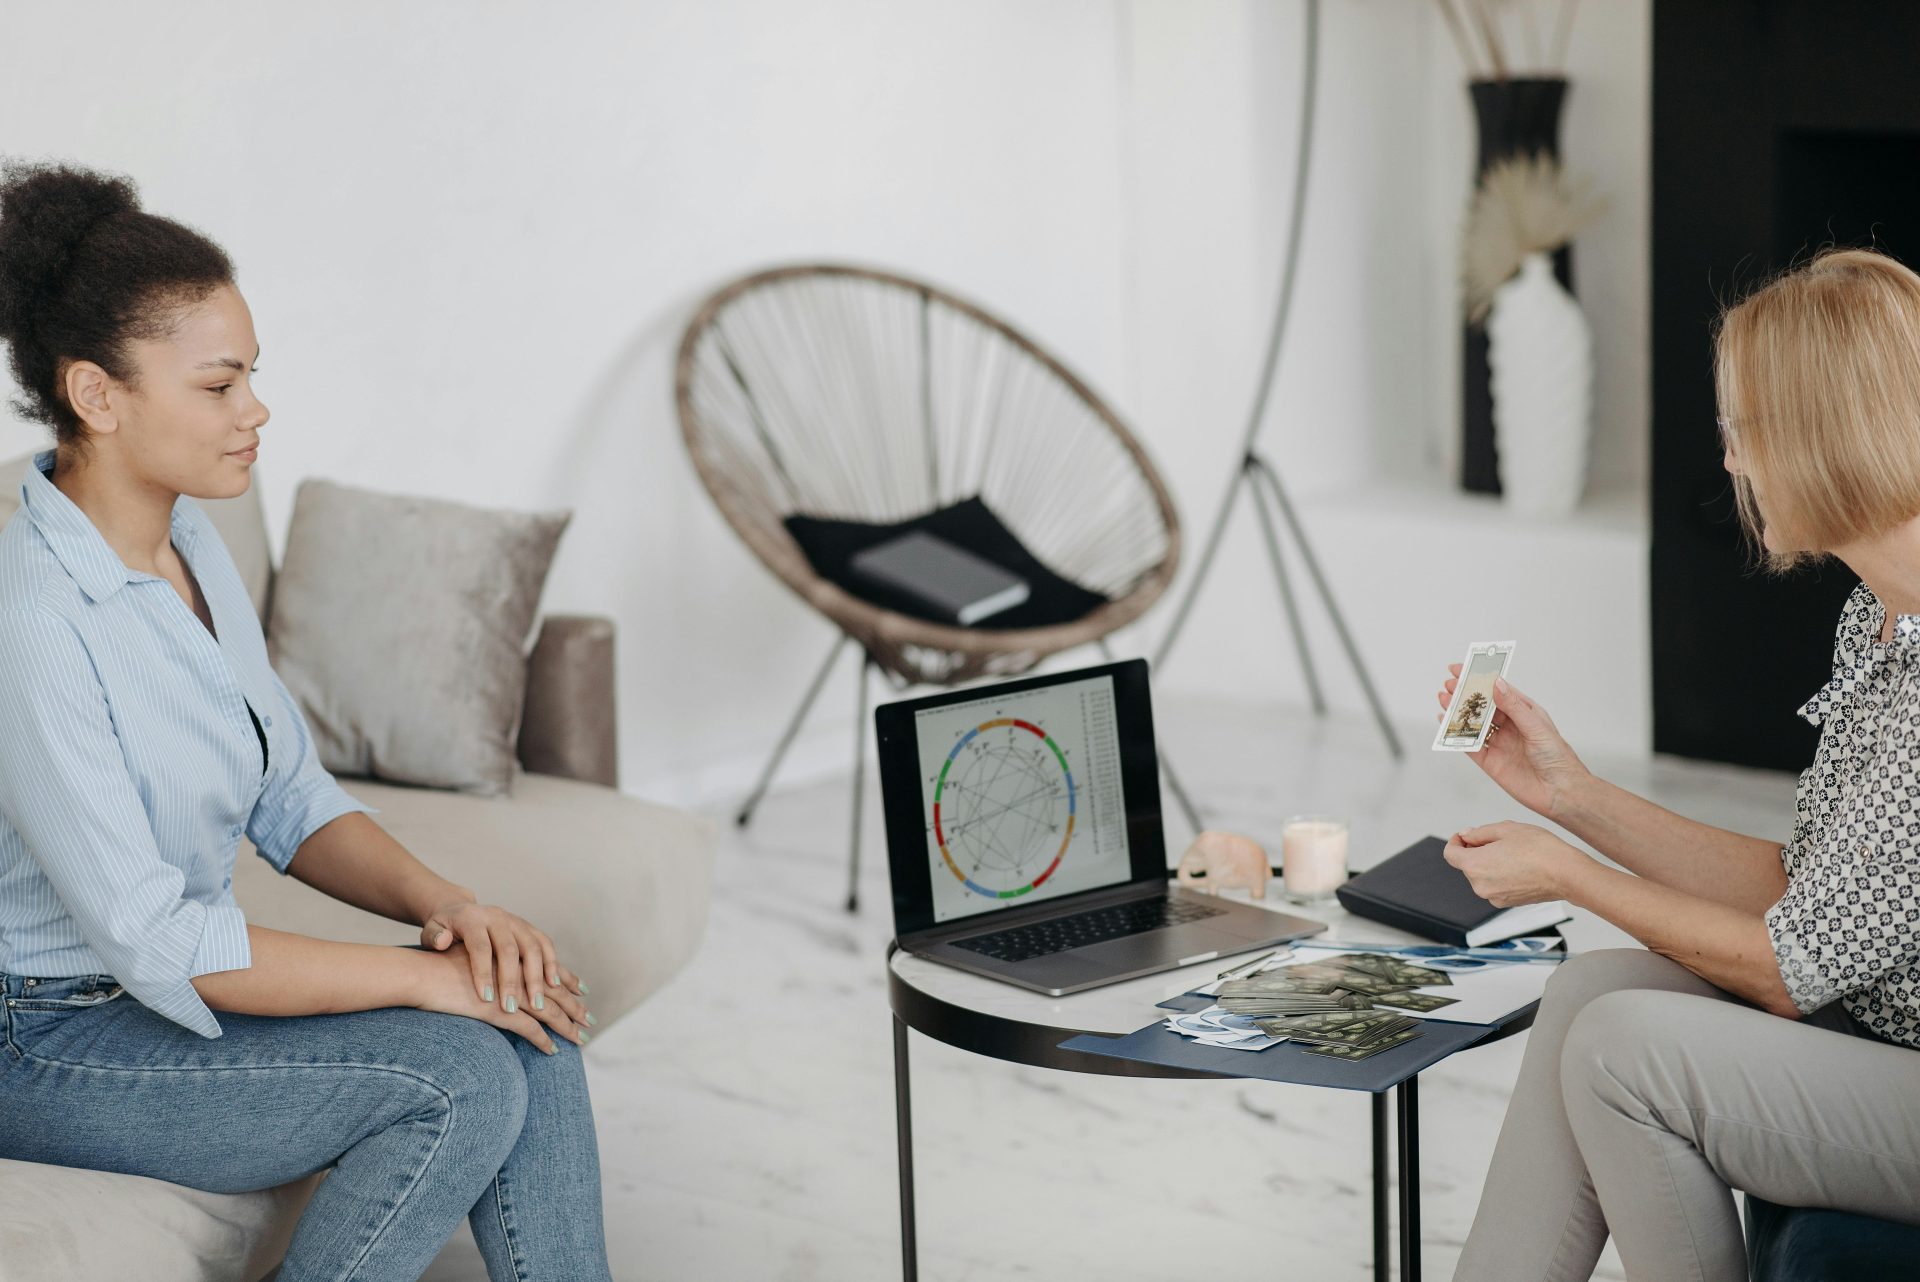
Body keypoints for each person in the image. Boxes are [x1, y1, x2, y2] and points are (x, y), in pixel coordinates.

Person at [0, 160, 614, 1281]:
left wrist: (454, 914)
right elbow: (157, 943)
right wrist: (421, 977)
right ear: (97, 395)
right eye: (219, 385)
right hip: (45, 1037)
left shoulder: (189, 546)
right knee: (459, 1072)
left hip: (152, 997)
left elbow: (292, 797)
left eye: (253, 379)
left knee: (528, 1010)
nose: (256, 411)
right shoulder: (32, 618)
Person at [1442, 246, 1920, 1281]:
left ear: (1822, 431)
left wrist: (1572, 875)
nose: (1733, 461)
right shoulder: (1876, 618)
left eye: (1743, 431)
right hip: (1888, 1028)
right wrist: (1571, 794)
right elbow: (1803, 894)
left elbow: (1793, 972)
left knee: (1625, 1051)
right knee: (1586, 994)